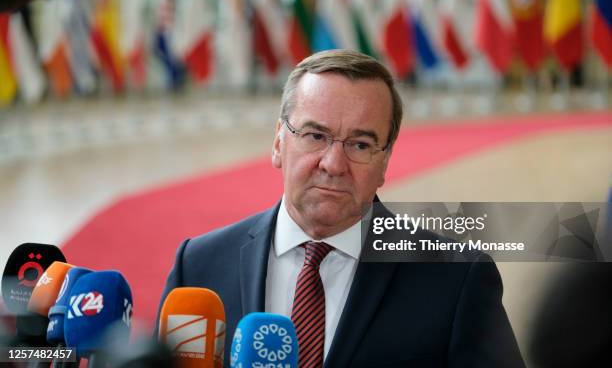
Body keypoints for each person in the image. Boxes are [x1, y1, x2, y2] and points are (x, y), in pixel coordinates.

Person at [157, 50, 525, 367]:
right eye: (315, 136)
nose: (333, 163)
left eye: (361, 145)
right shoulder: (199, 266)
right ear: (278, 143)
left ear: (385, 162)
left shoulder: (456, 279)